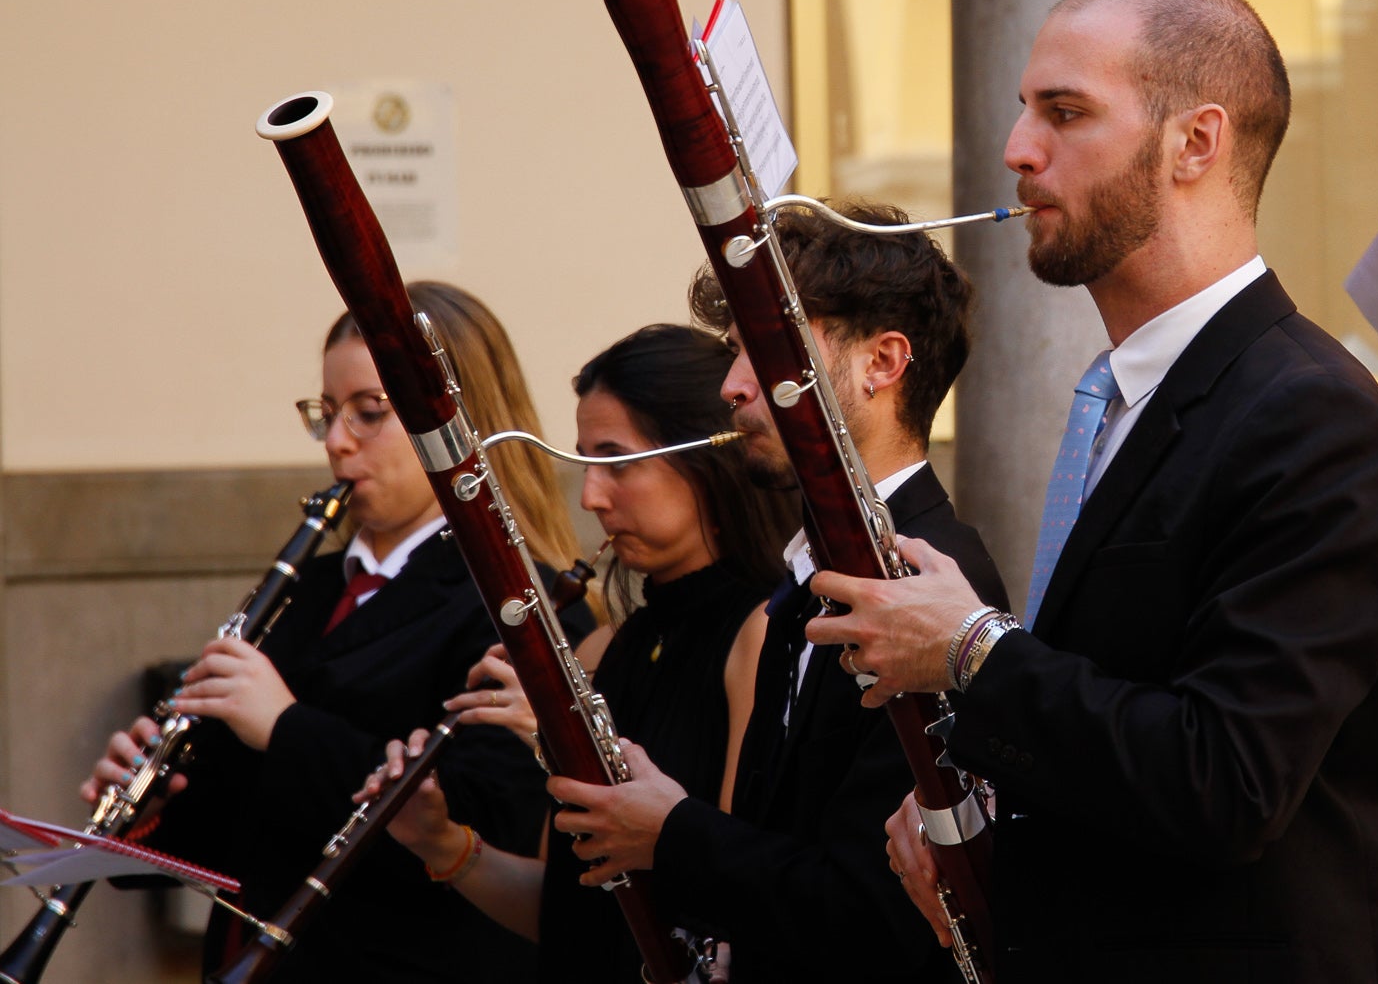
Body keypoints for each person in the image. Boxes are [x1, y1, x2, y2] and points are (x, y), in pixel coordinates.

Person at [807, 0, 1378, 982]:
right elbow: (1118, 710)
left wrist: (970, 647)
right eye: (1023, 111)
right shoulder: (1129, 395)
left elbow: (1225, 780)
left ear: (1195, 142)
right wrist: (970, 808)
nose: (1016, 149)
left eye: (1064, 113)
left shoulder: (1311, 414)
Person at [529, 201, 1009, 981]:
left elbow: (874, 909)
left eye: (766, 350)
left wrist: (672, 831)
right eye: (733, 350)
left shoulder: (931, 585)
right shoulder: (807, 579)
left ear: (882, 363)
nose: (732, 385)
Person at [84, 280, 593, 983]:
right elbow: (246, 839)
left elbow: (482, 826)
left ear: (454, 419)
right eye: (326, 412)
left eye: (368, 412)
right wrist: (156, 803)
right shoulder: (306, 590)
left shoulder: (520, 605)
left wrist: (285, 726)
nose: (336, 441)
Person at [360, 323, 790, 983]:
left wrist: (568, 733)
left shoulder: (760, 633)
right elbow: (569, 912)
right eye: (587, 463)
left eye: (618, 461)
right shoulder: (602, 645)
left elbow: (726, 899)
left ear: (709, 457)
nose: (592, 496)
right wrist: (441, 841)